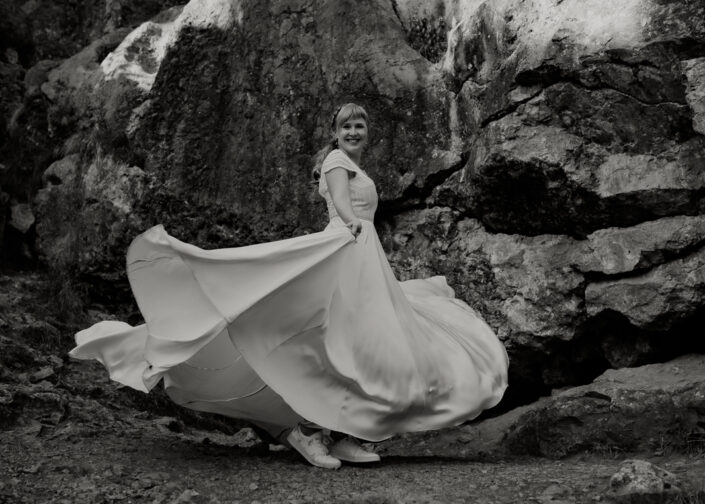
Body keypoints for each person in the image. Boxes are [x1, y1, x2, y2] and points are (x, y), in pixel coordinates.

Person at [69, 103, 509, 470]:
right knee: (338, 343)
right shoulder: (337, 162)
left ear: (367, 132)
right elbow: (340, 202)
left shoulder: (356, 164)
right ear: (335, 134)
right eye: (346, 126)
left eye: (360, 126)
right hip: (345, 247)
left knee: (367, 345)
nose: (353, 131)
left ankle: (349, 434)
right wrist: (353, 222)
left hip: (364, 257)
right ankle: (309, 431)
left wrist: (361, 229)